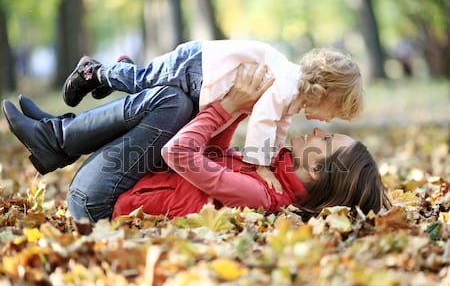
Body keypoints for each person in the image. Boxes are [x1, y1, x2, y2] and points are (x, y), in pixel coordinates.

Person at [3, 65, 389, 223]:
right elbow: (209, 154)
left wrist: (227, 108)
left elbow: (179, 154)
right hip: (119, 187)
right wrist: (237, 108)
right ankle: (56, 135)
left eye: (328, 141)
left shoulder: (261, 194)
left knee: (171, 102)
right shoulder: (272, 175)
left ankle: (56, 138)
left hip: (99, 202)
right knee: (183, 100)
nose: (319, 133)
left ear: (320, 170)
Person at [62, 39, 364, 193]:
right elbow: (262, 121)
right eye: (333, 112)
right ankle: (95, 71)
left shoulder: (292, 96)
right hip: (197, 66)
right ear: (323, 93)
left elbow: (278, 125)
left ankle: (119, 73)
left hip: (203, 76)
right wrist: (259, 166)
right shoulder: (286, 84)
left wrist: (271, 162)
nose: (326, 121)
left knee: (145, 84)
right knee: (143, 82)